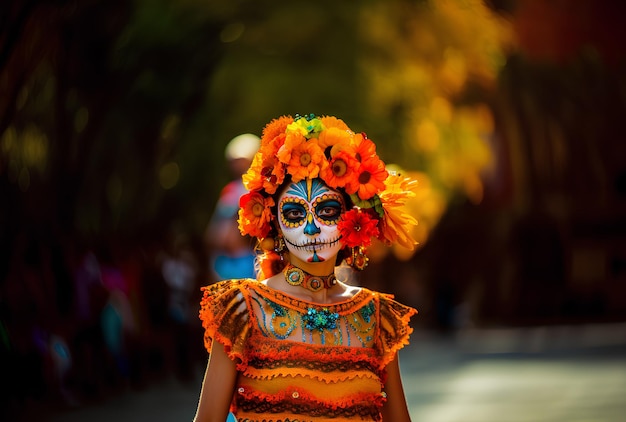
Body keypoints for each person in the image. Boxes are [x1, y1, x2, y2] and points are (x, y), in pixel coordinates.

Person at [194, 114, 419, 422]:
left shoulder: (376, 317)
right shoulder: (242, 310)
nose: (311, 229)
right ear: (274, 223)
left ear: (353, 219)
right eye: (294, 213)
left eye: (327, 211)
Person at [205, 133, 261, 281]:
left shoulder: (259, 189)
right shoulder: (230, 189)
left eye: (241, 160)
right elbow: (217, 225)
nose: (237, 165)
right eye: (234, 161)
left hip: (249, 260)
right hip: (224, 260)